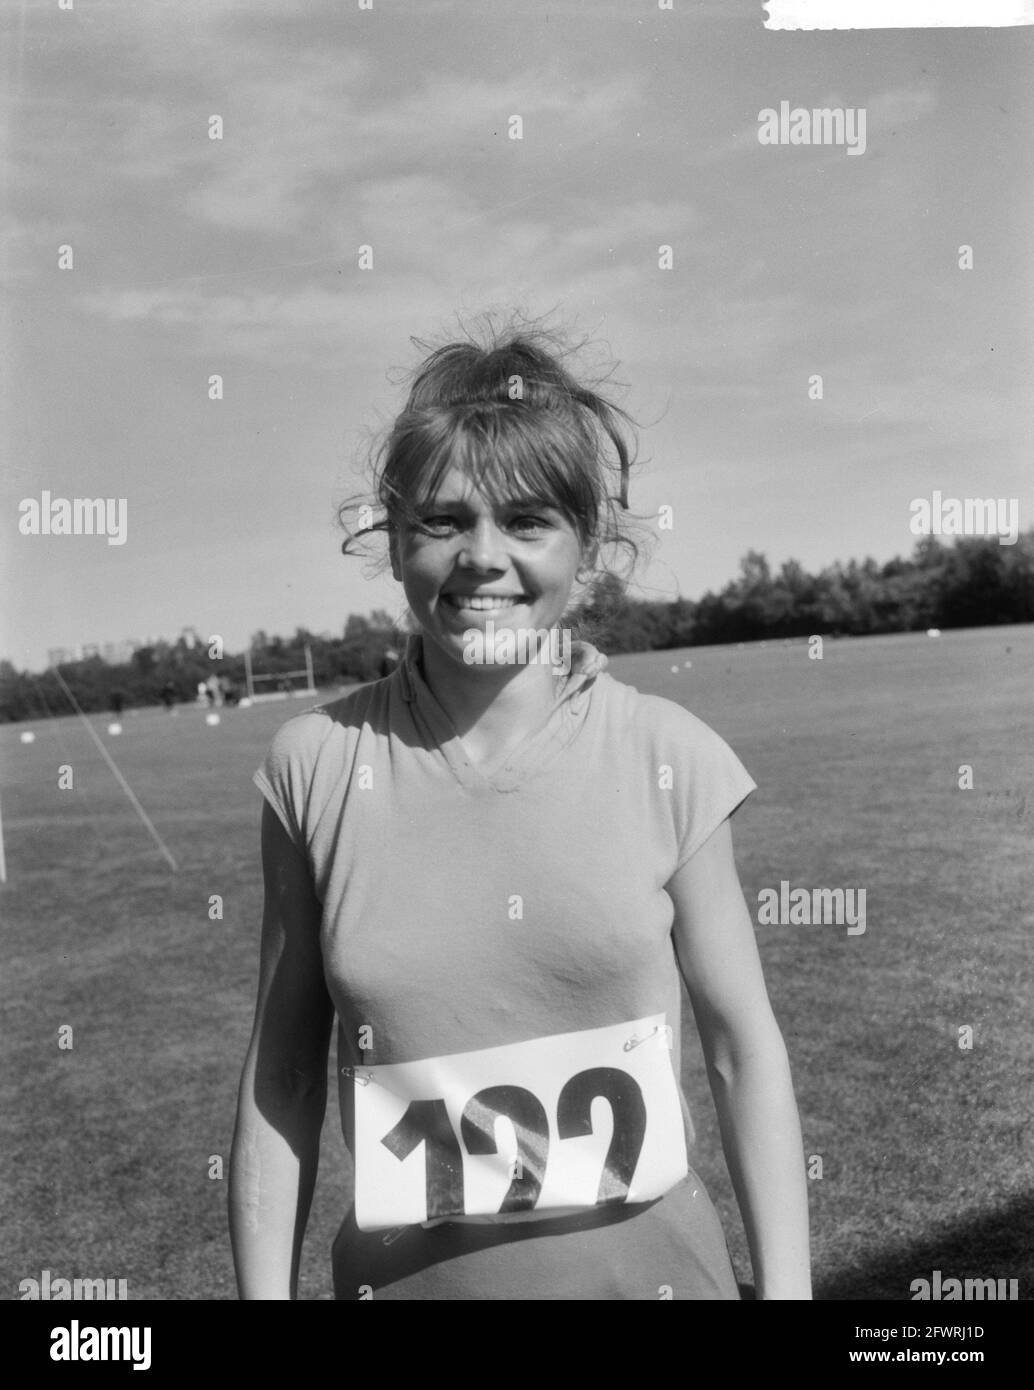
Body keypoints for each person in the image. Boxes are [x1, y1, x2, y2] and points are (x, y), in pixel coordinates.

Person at [229, 322, 811, 1301]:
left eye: (527, 520)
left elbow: (738, 1047)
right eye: (443, 520)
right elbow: (277, 1079)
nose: (480, 558)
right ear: (393, 535)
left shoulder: (669, 756)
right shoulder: (312, 770)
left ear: (589, 547)